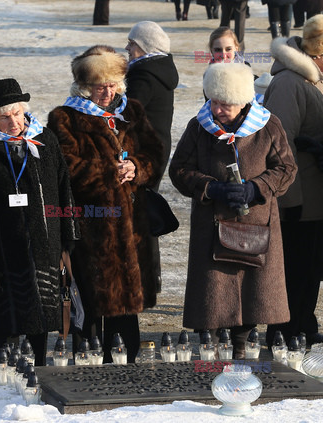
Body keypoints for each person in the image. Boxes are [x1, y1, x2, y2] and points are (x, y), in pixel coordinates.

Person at [169, 62, 297, 359]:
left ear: (242, 101)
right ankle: (209, 360)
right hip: (211, 226)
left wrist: (257, 188)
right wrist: (210, 188)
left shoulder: (268, 125)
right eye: (213, 101)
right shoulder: (199, 127)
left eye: (224, 103)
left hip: (256, 226)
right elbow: (179, 170)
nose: (216, 109)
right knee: (212, 298)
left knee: (251, 296)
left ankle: (243, 354)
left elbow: (286, 169)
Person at [47, 45, 164, 362]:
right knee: (90, 303)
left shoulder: (132, 111)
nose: (108, 92)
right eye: (100, 86)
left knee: (126, 306)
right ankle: (88, 362)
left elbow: (155, 153)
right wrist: (111, 173)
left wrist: (137, 168)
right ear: (85, 87)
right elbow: (67, 169)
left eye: (113, 84)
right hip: (91, 228)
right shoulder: (65, 118)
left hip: (132, 229)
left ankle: (127, 361)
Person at [0, 78, 79, 366]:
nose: (13, 122)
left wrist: (69, 237)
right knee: (5, 317)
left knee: (42, 315)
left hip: (45, 244)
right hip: (0, 250)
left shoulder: (44, 139)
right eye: (4, 117)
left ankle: (39, 367)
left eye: (17, 114)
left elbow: (64, 189)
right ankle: (4, 367)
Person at [264, 15, 323, 348]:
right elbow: (279, 145)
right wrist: (290, 200)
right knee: (293, 271)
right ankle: (285, 332)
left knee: (309, 269)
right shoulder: (291, 83)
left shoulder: (312, 80)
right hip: (298, 200)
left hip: (314, 199)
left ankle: (303, 322)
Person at [125, 21, 179, 299]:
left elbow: (127, 114)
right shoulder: (160, 70)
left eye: (132, 44)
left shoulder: (143, 75)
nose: (127, 49)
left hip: (142, 156)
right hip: (155, 152)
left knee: (139, 216)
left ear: (145, 47)